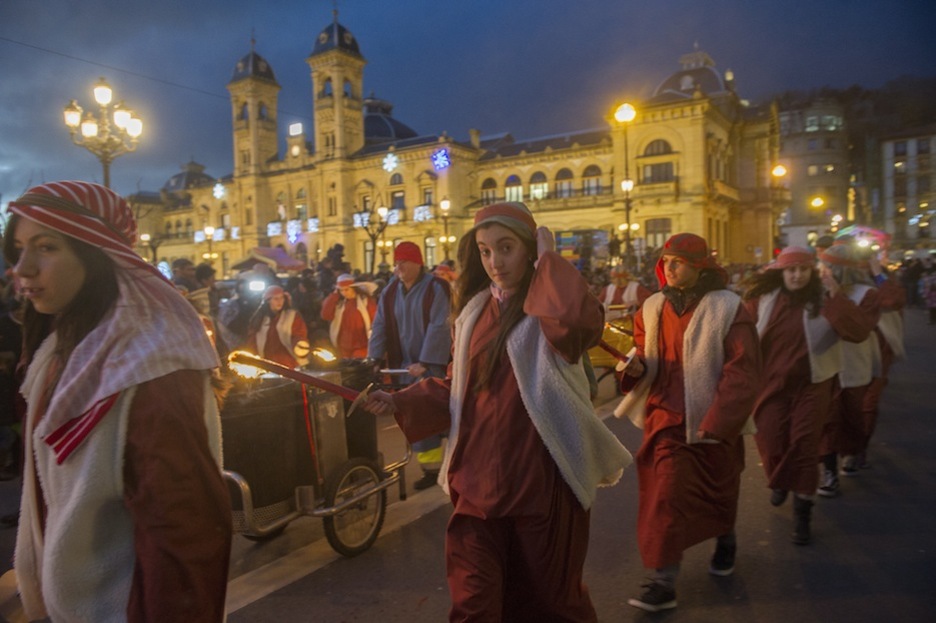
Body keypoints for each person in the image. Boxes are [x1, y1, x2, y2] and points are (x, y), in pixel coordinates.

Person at [363, 202, 631, 621]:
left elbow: (578, 324)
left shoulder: (548, 310)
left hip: (539, 484)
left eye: (507, 248)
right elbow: (458, 387)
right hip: (478, 485)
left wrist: (549, 260)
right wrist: (399, 400)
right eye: (485, 251)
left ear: (530, 249)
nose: (495, 262)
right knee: (473, 604)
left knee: (551, 605)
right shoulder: (472, 314)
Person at [3, 181, 231, 621]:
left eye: (46, 247)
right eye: (18, 249)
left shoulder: (152, 367)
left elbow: (183, 539)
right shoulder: (63, 348)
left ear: (97, 253)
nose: (22, 268)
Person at [615, 232, 761, 613]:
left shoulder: (728, 307)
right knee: (665, 494)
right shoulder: (651, 307)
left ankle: (725, 537)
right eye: (666, 261)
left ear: (699, 267)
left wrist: (720, 419)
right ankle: (664, 581)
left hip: (713, 419)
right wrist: (634, 367)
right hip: (665, 418)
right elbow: (643, 355)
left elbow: (742, 368)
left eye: (677, 262)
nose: (669, 268)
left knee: (718, 490)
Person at [741, 246, 867, 545]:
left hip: (813, 384)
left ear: (813, 272)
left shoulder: (825, 298)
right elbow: (742, 335)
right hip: (770, 384)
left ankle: (802, 513)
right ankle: (780, 478)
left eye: (803, 269)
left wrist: (835, 295)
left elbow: (857, 331)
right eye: (791, 270)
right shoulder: (763, 299)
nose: (797, 275)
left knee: (805, 444)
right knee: (769, 438)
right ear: (781, 272)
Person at [368, 241, 452, 490]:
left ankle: (449, 467)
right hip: (404, 366)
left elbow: (440, 325)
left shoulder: (436, 287)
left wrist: (426, 361)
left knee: (439, 416)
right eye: (397, 262)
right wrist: (374, 358)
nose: (399, 267)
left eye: (403, 262)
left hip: (430, 367)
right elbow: (380, 325)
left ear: (418, 263)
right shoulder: (390, 292)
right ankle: (431, 469)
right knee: (417, 418)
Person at [815, 243, 881, 497]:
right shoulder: (815, 292)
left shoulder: (867, 294)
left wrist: (836, 296)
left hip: (853, 364)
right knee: (827, 418)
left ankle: (853, 450)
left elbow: (857, 329)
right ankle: (829, 471)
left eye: (827, 267)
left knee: (852, 415)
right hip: (824, 364)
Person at [246, 285, 310, 368]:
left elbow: (299, 334)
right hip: (266, 364)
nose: (280, 301)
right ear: (268, 301)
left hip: (288, 363)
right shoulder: (259, 319)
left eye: (282, 298)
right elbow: (252, 341)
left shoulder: (292, 316)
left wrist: (299, 344)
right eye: (276, 299)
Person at [321, 273, 378, 359]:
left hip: (362, 345)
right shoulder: (339, 304)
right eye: (341, 290)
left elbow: (376, 320)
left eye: (346, 290)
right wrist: (334, 295)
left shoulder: (366, 301)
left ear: (354, 288)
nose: (344, 293)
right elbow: (325, 315)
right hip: (343, 346)